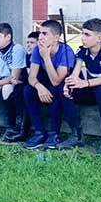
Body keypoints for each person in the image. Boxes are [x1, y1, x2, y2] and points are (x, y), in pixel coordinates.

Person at [63, 18, 101, 152]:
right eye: (82, 33)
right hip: (91, 89)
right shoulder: (83, 51)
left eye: (87, 35)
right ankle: (76, 134)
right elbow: (75, 73)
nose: (83, 38)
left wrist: (84, 83)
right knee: (66, 90)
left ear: (99, 37)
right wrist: (69, 84)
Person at [23, 20, 76, 150]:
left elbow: (57, 80)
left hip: (64, 85)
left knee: (54, 89)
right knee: (28, 90)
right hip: (47, 81)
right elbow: (32, 77)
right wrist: (38, 86)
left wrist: (46, 57)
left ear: (56, 38)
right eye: (40, 33)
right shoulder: (38, 50)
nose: (40, 37)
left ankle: (54, 133)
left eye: (45, 33)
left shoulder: (66, 51)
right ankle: (39, 132)